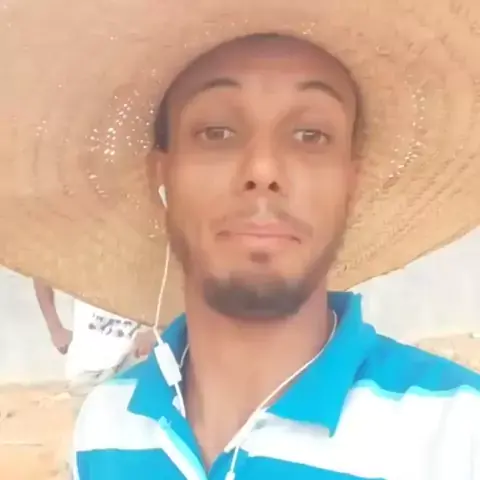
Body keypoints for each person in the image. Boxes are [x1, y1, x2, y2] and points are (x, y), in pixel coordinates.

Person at [1, 3, 480, 479]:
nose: (263, 170)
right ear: (161, 175)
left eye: (311, 135)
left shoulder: (457, 433)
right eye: (217, 132)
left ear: (350, 183)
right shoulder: (105, 429)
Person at [33, 279, 156, 405]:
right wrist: (55, 328)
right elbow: (40, 276)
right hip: (85, 373)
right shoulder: (83, 269)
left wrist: (154, 333)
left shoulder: (144, 273)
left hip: (127, 367)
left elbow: (168, 295)